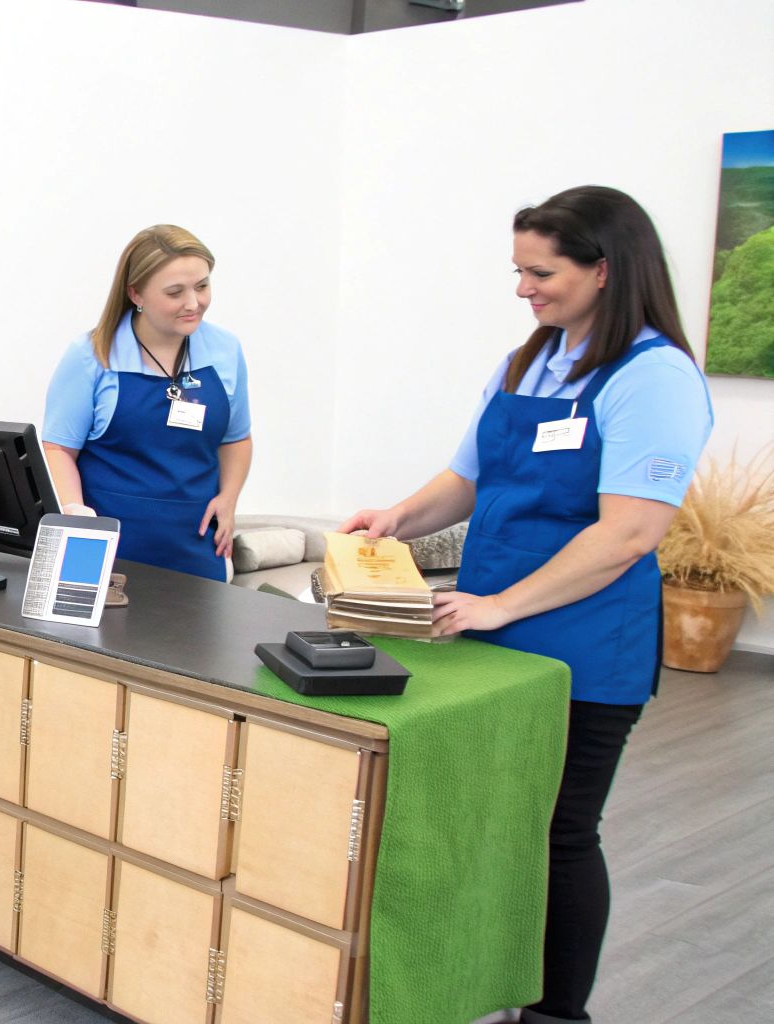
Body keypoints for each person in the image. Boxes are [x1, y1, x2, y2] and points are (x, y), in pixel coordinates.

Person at [340, 185, 713, 1024]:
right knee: (492, 824)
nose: (523, 290)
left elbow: (629, 533)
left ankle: (556, 1014)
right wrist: (398, 517)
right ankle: (484, 984)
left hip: (583, 643)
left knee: (559, 832)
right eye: (518, 271)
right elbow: (467, 479)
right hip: (491, 628)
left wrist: (502, 605)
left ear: (604, 270)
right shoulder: (527, 363)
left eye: (540, 273)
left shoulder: (655, 378)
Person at [41, 224, 252, 580]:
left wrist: (229, 498)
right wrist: (75, 515)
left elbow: (237, 439)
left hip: (195, 549)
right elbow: (58, 448)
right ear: (135, 293)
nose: (193, 303)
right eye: (175, 292)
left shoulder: (225, 350)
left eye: (202, 286)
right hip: (101, 552)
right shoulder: (91, 356)